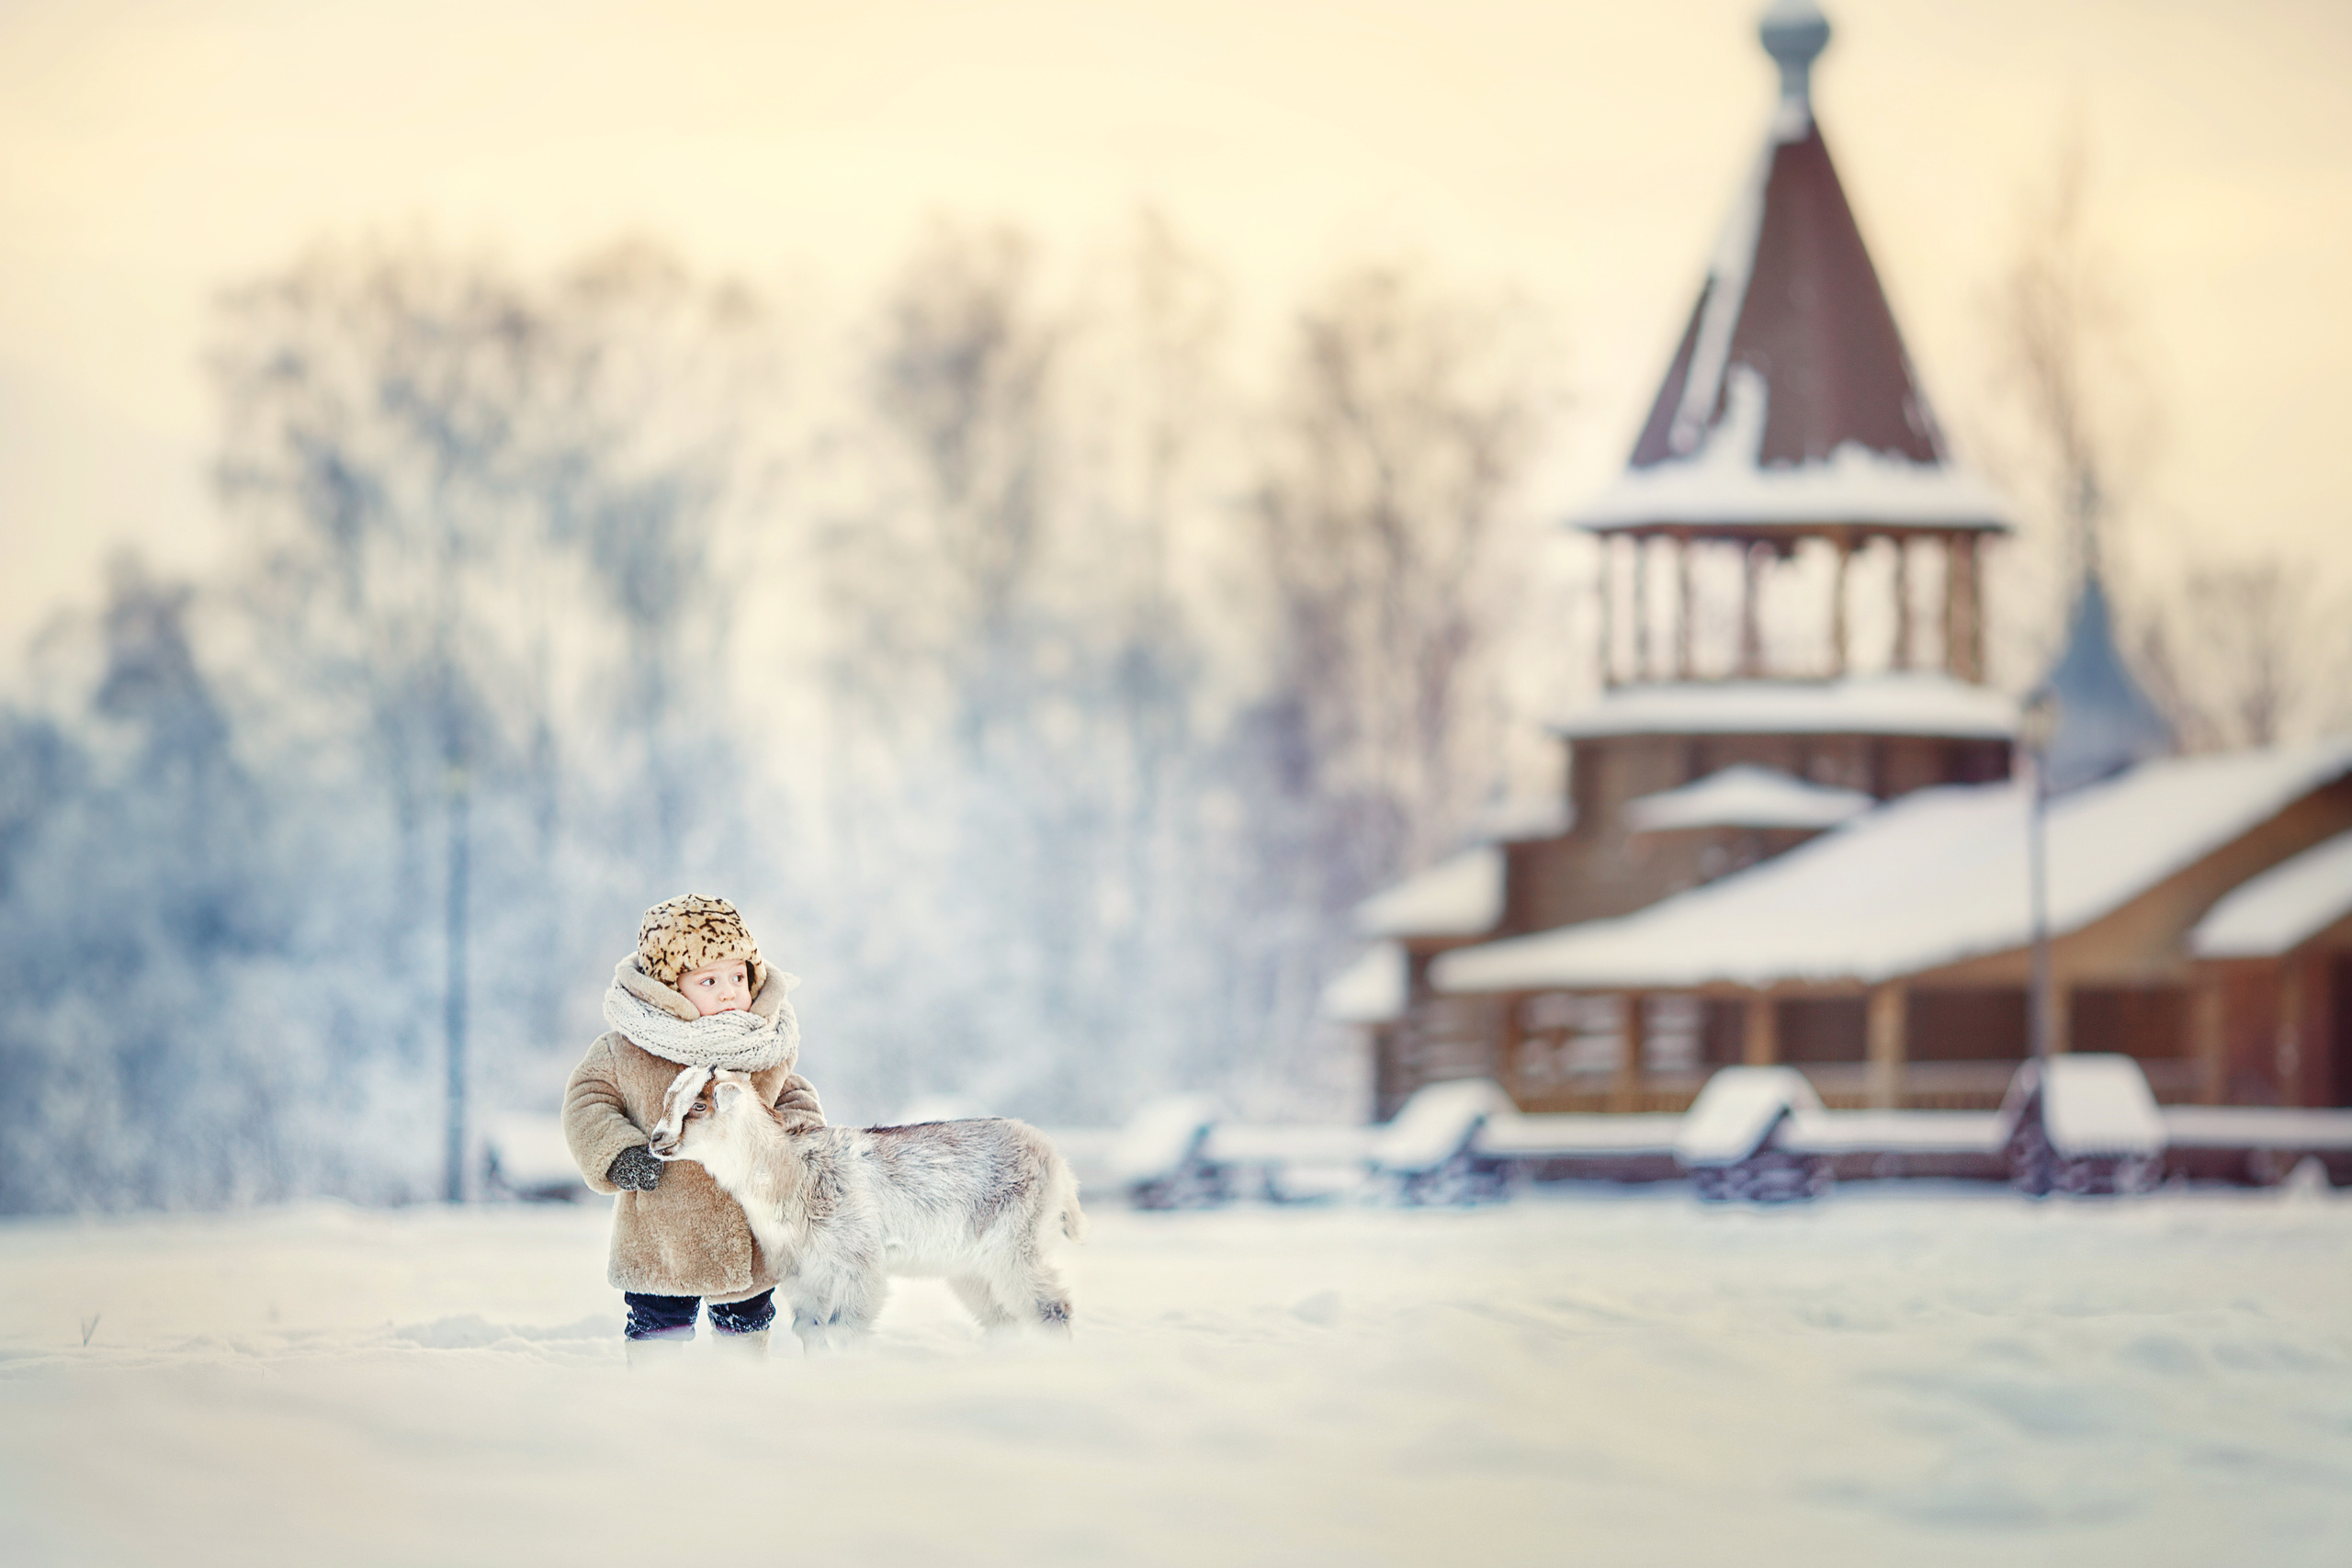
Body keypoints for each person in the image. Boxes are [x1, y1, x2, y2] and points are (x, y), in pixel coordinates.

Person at [563, 893, 823, 1365]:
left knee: (747, 1317)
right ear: (669, 990)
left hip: (748, 1228)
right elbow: (587, 1102)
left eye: (738, 977)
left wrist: (798, 1143)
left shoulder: (760, 1046)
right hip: (661, 1229)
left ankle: (739, 1387)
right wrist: (619, 1154)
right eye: (709, 980)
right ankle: (656, 1390)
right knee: (659, 1323)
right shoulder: (627, 1052)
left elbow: (793, 1096)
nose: (729, 992)